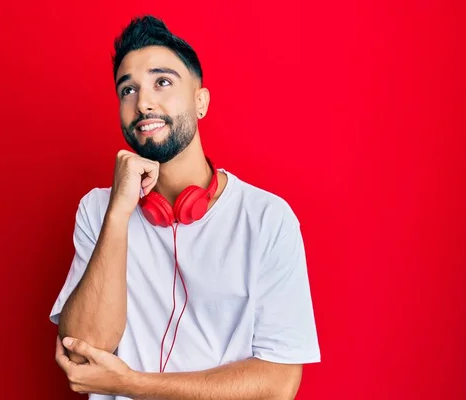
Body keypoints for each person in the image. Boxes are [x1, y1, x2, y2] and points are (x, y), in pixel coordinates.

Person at [50, 15, 320, 400]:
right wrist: (119, 212)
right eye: (127, 90)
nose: (143, 102)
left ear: (200, 101)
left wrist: (129, 385)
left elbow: (278, 385)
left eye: (162, 82)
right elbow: (83, 350)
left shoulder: (267, 219)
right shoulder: (98, 210)